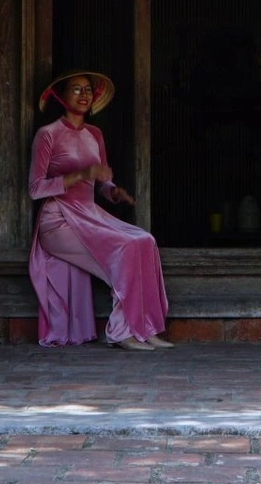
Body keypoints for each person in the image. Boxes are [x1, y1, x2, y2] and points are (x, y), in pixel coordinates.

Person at [28, 71, 172, 350]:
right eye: (76, 89)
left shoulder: (95, 134)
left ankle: (145, 327)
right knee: (125, 248)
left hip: (90, 214)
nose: (84, 95)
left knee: (145, 241)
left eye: (88, 90)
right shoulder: (47, 135)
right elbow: (35, 189)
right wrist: (81, 174)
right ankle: (122, 332)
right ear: (60, 95)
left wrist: (112, 191)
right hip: (58, 220)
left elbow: (102, 182)